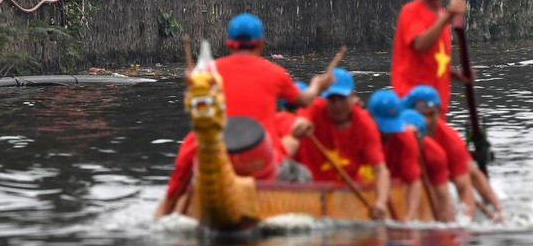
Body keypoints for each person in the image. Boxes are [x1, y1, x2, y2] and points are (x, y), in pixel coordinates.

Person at [155, 13, 333, 218]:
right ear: (261, 45)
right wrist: (318, 85)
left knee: (175, 191)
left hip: (217, 153)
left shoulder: (209, 72)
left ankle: (166, 210)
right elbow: (304, 100)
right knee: (303, 175)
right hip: (263, 159)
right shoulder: (275, 72)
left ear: (229, 44)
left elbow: (194, 101)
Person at [291, 68, 390, 220]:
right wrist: (300, 126)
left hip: (348, 194)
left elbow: (380, 170)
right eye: (332, 99)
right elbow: (297, 126)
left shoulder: (365, 125)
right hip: (312, 191)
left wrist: (381, 204)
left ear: (352, 97)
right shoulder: (315, 108)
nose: (337, 105)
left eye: (341, 99)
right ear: (325, 99)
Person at [403, 85, 504, 222]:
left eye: (431, 114)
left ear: (439, 112)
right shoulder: (395, 127)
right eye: (421, 115)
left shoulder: (450, 140)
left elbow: (464, 188)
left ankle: (497, 208)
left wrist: (465, 223)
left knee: (470, 171)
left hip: (437, 165)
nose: (426, 121)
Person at [391, 0, 468, 119]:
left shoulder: (440, 16)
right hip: (413, 107)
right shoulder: (411, 12)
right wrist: (448, 17)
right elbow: (420, 45)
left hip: (437, 107)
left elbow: (433, 60)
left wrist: (456, 74)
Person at [367, 89, 421, 222]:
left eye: (390, 127)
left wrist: (410, 216)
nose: (387, 133)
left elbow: (414, 181)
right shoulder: (359, 127)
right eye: (383, 127)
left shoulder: (405, 138)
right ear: (370, 117)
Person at [401, 108, 455, 222]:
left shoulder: (436, 155)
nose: (409, 145)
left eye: (413, 140)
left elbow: (443, 198)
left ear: (422, 140)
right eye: (405, 139)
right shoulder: (387, 141)